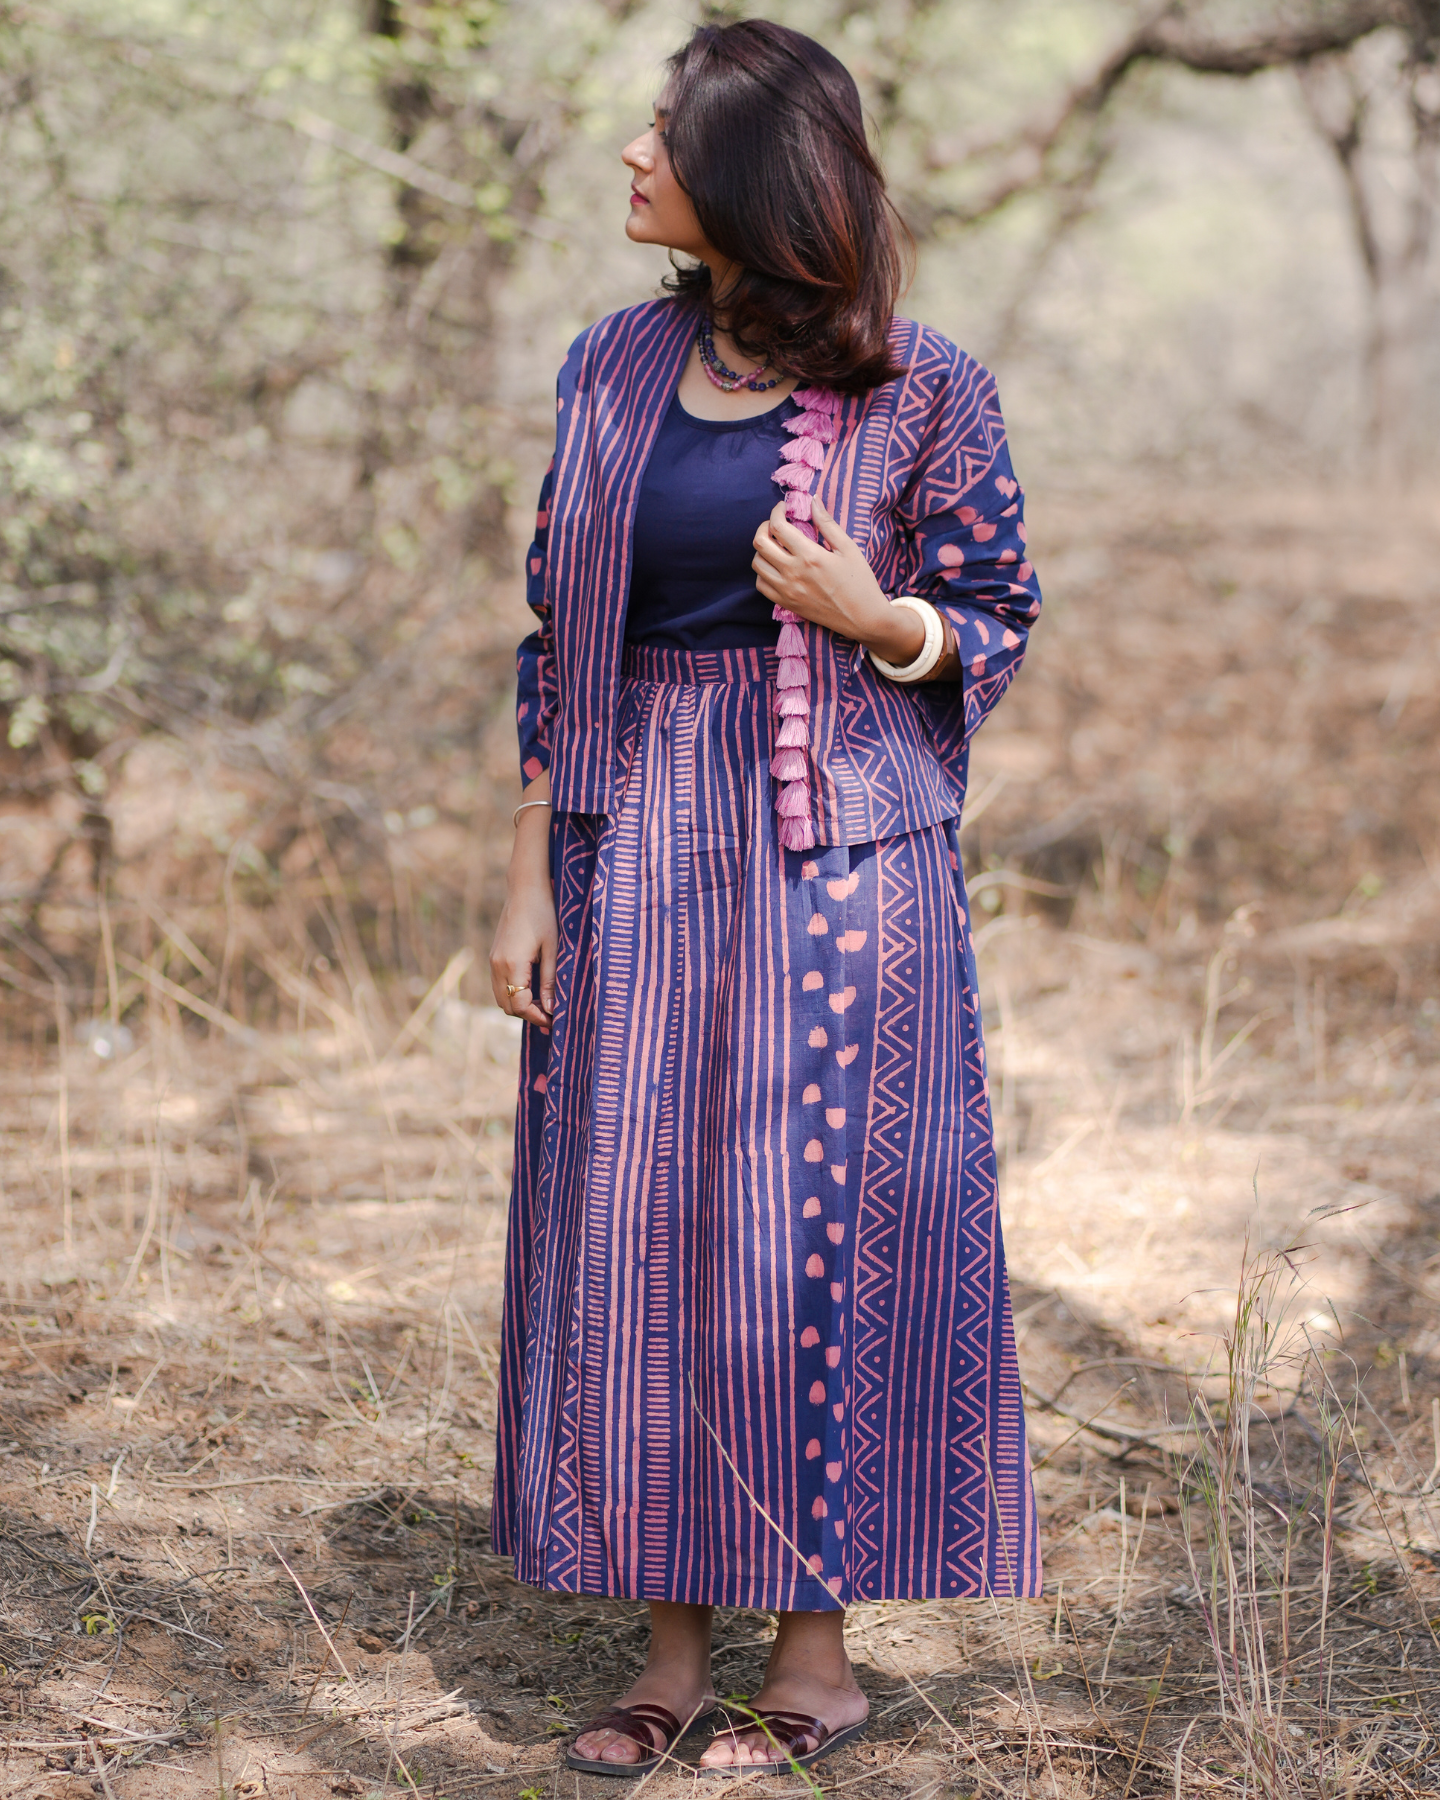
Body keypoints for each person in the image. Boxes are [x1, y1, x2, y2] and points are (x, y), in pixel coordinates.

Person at [488, 17, 1041, 1780]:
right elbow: (555, 636)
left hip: (837, 867)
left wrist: (881, 615)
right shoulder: (606, 367)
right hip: (634, 837)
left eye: (661, 133)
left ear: (741, 173)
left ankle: (813, 1663)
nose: (632, 156)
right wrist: (526, 880)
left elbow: (999, 608)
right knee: (646, 1236)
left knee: (809, 1244)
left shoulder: (922, 383)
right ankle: (666, 1654)